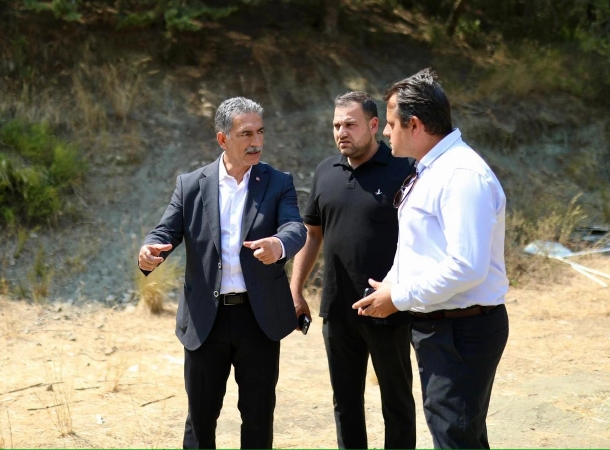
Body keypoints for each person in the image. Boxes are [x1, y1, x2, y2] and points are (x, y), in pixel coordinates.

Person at [353, 68, 509, 449]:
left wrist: (399, 297)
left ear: (415, 125)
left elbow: (466, 267)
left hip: (461, 331)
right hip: (445, 328)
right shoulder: (433, 169)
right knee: (459, 435)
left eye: (391, 124)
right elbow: (420, 244)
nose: (385, 132)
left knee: (455, 437)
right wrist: (393, 282)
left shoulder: (461, 175)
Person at [137, 96, 306, 449]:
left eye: (260, 132)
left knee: (258, 418)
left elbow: (295, 227)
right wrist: (150, 250)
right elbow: (165, 231)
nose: (256, 141)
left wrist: (278, 244)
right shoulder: (191, 185)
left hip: (258, 319)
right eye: (246, 134)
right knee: (200, 420)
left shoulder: (278, 182)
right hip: (205, 320)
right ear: (222, 139)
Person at [290, 91, 417, 449]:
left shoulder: (404, 168)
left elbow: (421, 237)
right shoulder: (325, 171)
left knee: (397, 403)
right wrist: (295, 289)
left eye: (350, 124)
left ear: (374, 125)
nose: (341, 132)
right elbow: (312, 234)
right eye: (336, 125)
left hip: (388, 306)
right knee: (345, 404)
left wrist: (401, 291)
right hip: (337, 310)